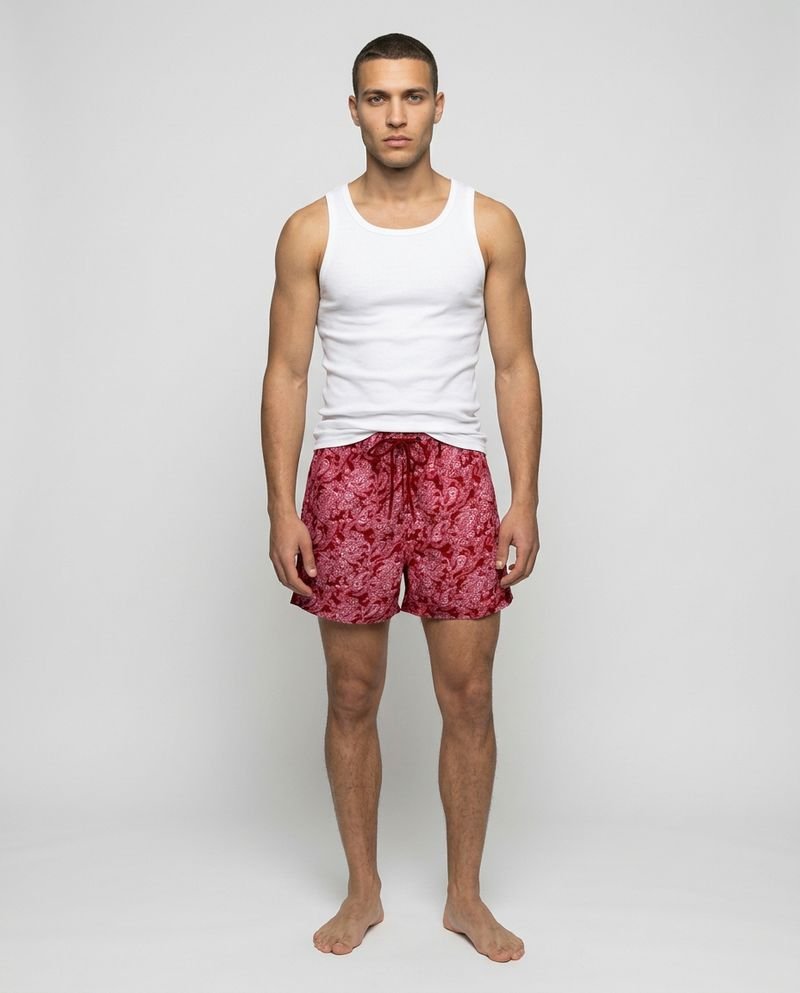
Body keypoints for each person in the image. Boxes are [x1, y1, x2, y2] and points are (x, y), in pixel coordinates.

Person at [261, 32, 541, 964]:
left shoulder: (487, 223)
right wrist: (282, 506)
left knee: (471, 693)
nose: (395, 115)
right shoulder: (312, 228)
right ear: (353, 109)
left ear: (438, 106)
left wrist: (524, 496)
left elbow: (514, 365)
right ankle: (364, 888)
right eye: (377, 98)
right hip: (346, 471)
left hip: (455, 470)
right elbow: (286, 372)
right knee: (351, 692)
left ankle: (464, 896)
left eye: (412, 97)